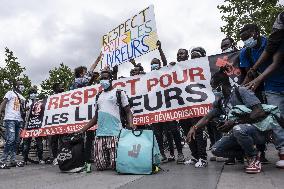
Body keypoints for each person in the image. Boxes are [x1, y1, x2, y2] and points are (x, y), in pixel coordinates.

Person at [187, 68, 284, 173]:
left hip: (258, 131)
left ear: (220, 86)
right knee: (216, 150)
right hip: (239, 133)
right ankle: (251, 153)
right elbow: (207, 117)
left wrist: (235, 122)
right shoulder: (221, 101)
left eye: (214, 88)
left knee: (238, 129)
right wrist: (194, 128)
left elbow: (259, 112)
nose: (213, 92)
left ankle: (254, 158)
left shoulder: (241, 91)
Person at [240, 23, 284, 163]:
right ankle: (282, 151)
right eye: (243, 39)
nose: (246, 41)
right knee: (276, 119)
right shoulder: (245, 52)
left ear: (256, 32)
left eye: (247, 37)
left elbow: (276, 63)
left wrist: (258, 79)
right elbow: (250, 74)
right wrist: (241, 90)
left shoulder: (271, 42)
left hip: (277, 79)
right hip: (271, 88)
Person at [77, 69, 135, 171]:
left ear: (111, 79)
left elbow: (128, 111)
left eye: (105, 78)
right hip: (100, 134)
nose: (103, 81)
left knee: (115, 165)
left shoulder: (119, 92)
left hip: (115, 133)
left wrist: (131, 124)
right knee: (100, 166)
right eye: (101, 79)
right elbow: (96, 117)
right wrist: (83, 129)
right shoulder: (99, 96)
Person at [149, 41, 185, 164]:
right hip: (155, 109)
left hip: (168, 107)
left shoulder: (164, 72)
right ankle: (162, 154)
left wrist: (160, 49)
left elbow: (165, 62)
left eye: (156, 63)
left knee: (173, 130)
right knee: (158, 133)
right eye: (152, 64)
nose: (154, 65)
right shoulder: (148, 77)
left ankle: (179, 153)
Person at [0, 81, 26, 169]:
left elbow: (22, 109)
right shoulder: (10, 93)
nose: (22, 86)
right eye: (20, 84)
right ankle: (2, 161)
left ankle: (13, 160)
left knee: (16, 141)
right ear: (16, 86)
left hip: (19, 120)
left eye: (22, 84)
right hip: (10, 119)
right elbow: (4, 102)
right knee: (10, 139)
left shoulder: (23, 97)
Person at [22, 87, 44, 165]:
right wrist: (27, 109)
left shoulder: (39, 102)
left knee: (39, 143)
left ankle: (40, 158)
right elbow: (22, 111)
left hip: (37, 124)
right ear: (29, 94)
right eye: (31, 93)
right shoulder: (26, 101)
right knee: (26, 143)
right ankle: (24, 159)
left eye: (34, 92)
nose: (33, 94)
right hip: (28, 125)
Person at [45, 83, 65, 165]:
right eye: (60, 86)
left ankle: (61, 156)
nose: (62, 87)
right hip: (54, 123)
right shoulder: (51, 98)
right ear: (56, 89)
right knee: (54, 141)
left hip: (63, 122)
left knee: (62, 141)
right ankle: (54, 157)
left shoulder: (65, 96)